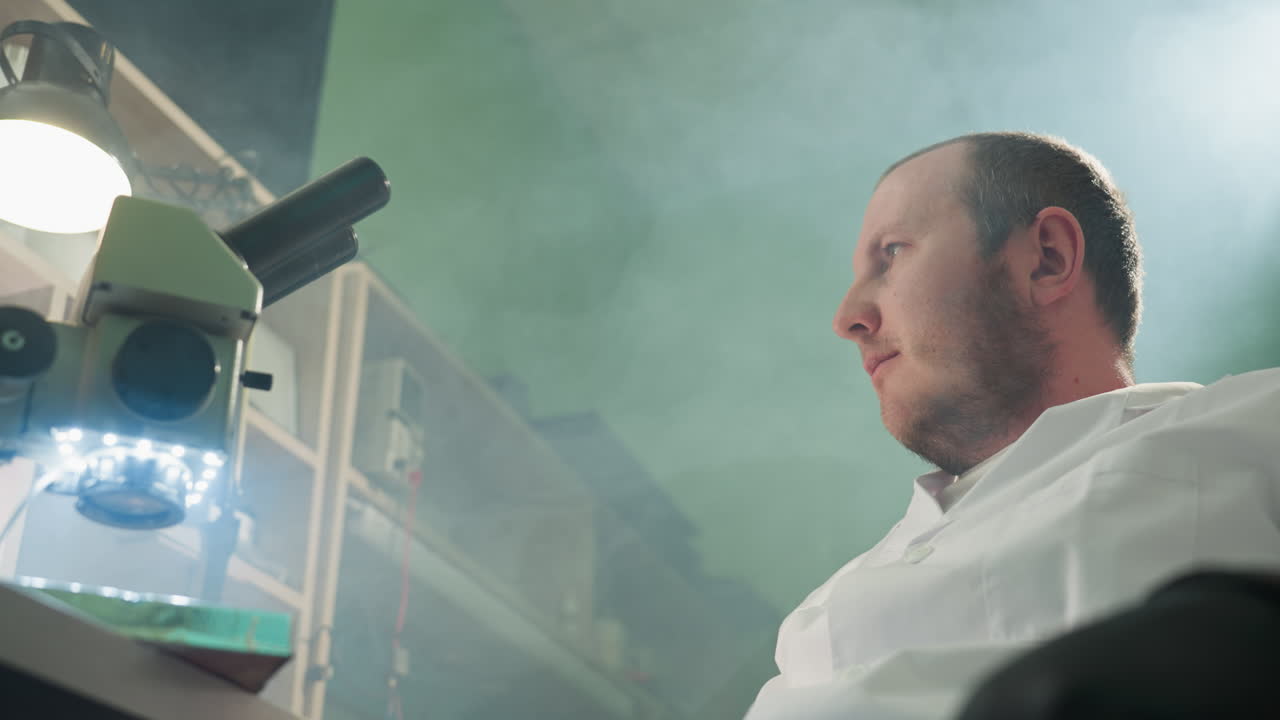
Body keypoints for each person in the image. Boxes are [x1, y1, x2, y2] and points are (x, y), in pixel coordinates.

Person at [743, 131, 1280, 720]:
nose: (848, 318)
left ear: (1046, 258)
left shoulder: (1257, 417)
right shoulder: (828, 597)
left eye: (891, 253)